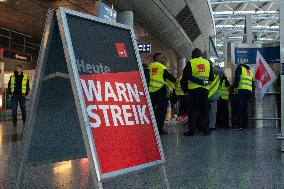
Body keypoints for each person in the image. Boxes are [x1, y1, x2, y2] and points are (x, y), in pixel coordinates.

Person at [181, 48, 214, 136]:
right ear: (200, 55)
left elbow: (186, 76)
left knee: (193, 111)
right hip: (204, 91)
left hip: (194, 91)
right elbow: (211, 79)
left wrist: (186, 89)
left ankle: (192, 130)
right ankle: (206, 130)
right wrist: (204, 82)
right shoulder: (208, 63)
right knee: (205, 111)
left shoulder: (191, 62)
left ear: (192, 55)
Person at [149, 53, 176, 135]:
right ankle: (159, 129)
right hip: (160, 91)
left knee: (153, 110)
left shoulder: (150, 67)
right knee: (162, 111)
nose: (162, 59)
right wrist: (176, 81)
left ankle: (152, 128)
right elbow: (169, 77)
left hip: (152, 91)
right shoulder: (161, 67)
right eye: (161, 58)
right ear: (157, 58)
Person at [231, 63, 253, 129]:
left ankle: (239, 125)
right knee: (245, 108)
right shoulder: (250, 71)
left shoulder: (240, 69)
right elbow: (252, 82)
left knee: (239, 108)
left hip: (241, 91)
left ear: (239, 65)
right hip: (249, 91)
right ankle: (245, 125)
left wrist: (233, 87)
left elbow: (237, 79)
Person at [207, 63, 223, 130]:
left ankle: (203, 124)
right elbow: (222, 71)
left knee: (204, 111)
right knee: (213, 112)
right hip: (213, 94)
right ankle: (212, 126)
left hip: (206, 93)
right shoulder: (218, 73)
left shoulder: (206, 70)